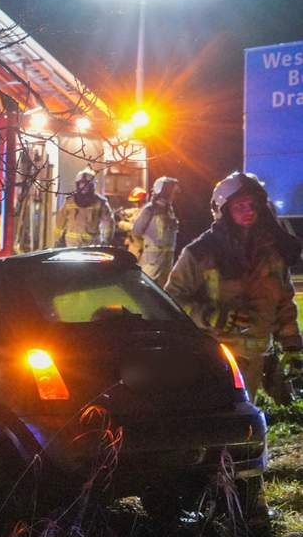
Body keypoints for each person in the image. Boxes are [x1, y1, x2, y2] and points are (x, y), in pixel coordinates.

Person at [165, 172, 302, 403]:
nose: (249, 211)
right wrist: (211, 316)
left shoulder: (271, 252)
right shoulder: (200, 253)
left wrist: (291, 345)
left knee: (247, 420)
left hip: (257, 357)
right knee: (218, 418)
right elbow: (173, 298)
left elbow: (284, 300)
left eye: (253, 205)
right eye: (240, 205)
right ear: (223, 209)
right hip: (215, 355)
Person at [133, 176, 179, 287]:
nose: (174, 194)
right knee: (145, 287)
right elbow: (137, 230)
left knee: (162, 291)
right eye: (171, 191)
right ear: (163, 191)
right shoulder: (150, 209)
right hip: (152, 260)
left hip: (166, 260)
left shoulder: (169, 210)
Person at [56, 167, 113, 247]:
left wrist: (106, 240)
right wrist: (57, 239)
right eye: (81, 184)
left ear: (92, 186)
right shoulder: (69, 201)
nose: (83, 188)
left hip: (91, 246)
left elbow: (108, 223)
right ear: (77, 184)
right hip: (72, 245)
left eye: (86, 185)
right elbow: (60, 221)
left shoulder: (101, 202)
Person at [115, 186, 148, 257]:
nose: (134, 204)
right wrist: (123, 213)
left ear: (140, 201)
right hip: (134, 245)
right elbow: (134, 211)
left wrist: (120, 224)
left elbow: (134, 228)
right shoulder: (141, 210)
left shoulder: (145, 213)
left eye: (135, 202)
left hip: (139, 247)